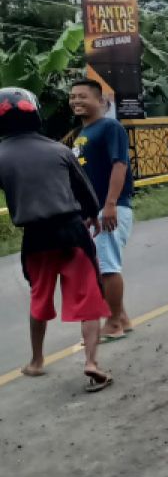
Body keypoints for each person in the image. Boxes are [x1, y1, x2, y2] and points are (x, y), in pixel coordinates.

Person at [0, 87, 113, 392]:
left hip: (36, 239)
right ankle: (92, 363)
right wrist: (91, 215)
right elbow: (86, 192)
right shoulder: (58, 150)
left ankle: (36, 361)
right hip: (72, 231)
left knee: (39, 298)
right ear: (34, 112)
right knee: (89, 298)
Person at [69, 79, 134, 342]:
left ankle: (114, 322)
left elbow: (120, 165)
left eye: (82, 96)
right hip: (93, 211)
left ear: (101, 101)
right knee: (100, 267)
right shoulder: (82, 134)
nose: (76, 101)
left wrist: (109, 204)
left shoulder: (110, 127)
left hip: (110, 208)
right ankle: (124, 318)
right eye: (72, 97)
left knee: (108, 268)